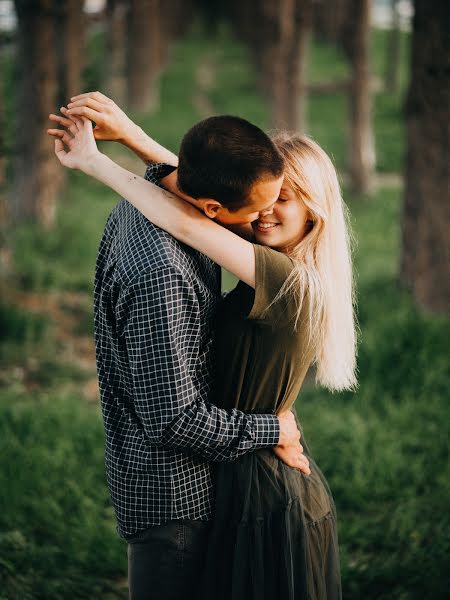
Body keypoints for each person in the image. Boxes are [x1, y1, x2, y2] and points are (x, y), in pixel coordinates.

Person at [48, 93, 357, 599]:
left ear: (315, 213)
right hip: (244, 473)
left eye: (283, 198)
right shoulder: (259, 257)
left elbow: (189, 219)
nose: (261, 213)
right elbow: (203, 190)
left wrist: (95, 163)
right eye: (263, 197)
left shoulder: (287, 281)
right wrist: (130, 135)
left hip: (266, 492)